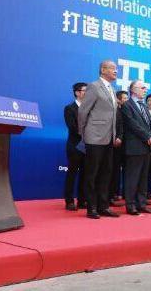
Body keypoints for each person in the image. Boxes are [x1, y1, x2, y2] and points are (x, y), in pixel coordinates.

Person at [78, 60, 121, 219]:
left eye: (116, 69)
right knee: (92, 174)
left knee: (106, 173)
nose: (116, 71)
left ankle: (103, 206)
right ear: (103, 70)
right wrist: (84, 133)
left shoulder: (112, 89)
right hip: (94, 136)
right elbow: (83, 112)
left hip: (109, 138)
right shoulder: (94, 86)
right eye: (113, 68)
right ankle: (92, 207)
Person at [121, 80, 151, 215]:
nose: (145, 90)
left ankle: (141, 204)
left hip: (147, 147)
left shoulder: (143, 105)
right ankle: (130, 205)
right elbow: (132, 124)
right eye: (142, 88)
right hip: (135, 146)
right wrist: (148, 136)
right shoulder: (127, 105)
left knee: (143, 177)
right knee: (133, 177)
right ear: (133, 90)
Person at [63, 82, 88, 211]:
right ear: (77, 92)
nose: (87, 93)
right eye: (85, 91)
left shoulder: (90, 108)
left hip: (88, 146)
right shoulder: (70, 108)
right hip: (75, 145)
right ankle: (69, 201)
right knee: (72, 173)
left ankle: (82, 200)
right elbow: (72, 127)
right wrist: (89, 133)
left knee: (85, 174)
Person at [109, 90, 128, 204]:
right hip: (115, 145)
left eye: (127, 98)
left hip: (127, 146)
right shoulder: (115, 110)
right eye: (124, 98)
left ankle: (123, 193)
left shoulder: (128, 110)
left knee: (126, 171)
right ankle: (112, 194)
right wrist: (118, 137)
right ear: (118, 100)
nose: (126, 100)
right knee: (114, 170)